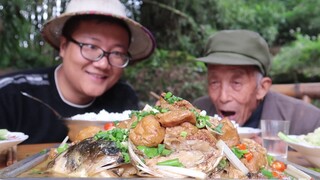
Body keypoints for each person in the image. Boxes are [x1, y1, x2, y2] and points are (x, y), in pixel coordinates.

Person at [0, 0, 156, 144]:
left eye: (117, 53)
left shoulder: (123, 97)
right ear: (63, 46)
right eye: (91, 47)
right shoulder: (10, 96)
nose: (102, 64)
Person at [193, 29, 320, 136]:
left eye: (236, 83)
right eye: (214, 82)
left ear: (262, 88)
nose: (223, 97)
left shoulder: (308, 121)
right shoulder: (196, 112)